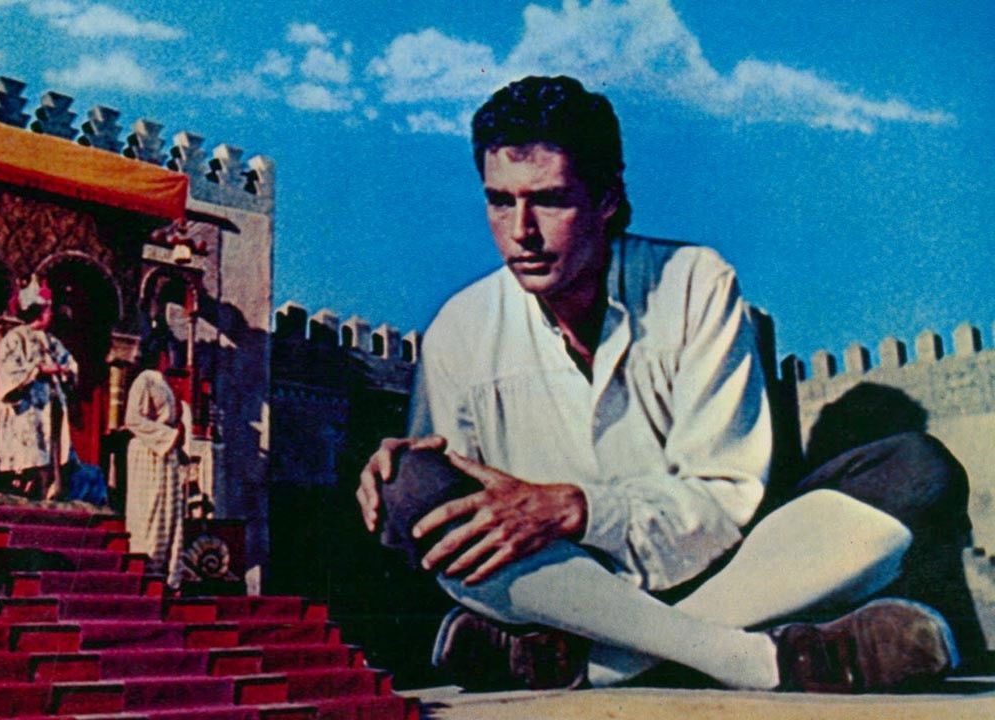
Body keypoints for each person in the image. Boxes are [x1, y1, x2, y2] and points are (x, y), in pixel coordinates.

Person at [357, 75, 966, 693]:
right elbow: (461, 522)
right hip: (562, 593)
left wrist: (577, 508)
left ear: (607, 199)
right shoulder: (459, 329)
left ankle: (599, 664)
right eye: (500, 202)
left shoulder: (694, 283)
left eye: (551, 201)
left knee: (916, 471)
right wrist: (394, 480)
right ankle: (752, 656)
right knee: (408, 486)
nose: (522, 231)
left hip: (729, 571)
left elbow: (725, 498)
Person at [0, 275, 78, 500]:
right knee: (29, 457)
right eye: (48, 310)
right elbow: (8, 372)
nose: (51, 314)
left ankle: (51, 488)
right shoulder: (15, 338)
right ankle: (26, 489)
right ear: (38, 312)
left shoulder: (52, 341)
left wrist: (66, 371)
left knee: (53, 452)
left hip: (51, 405)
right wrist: (38, 370)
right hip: (27, 407)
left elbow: (69, 364)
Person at [122, 342, 187, 589]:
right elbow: (133, 419)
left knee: (168, 512)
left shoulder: (162, 381)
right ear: (161, 354)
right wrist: (168, 436)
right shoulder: (145, 379)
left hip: (165, 453)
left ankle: (166, 573)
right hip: (149, 451)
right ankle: (147, 568)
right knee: (151, 508)